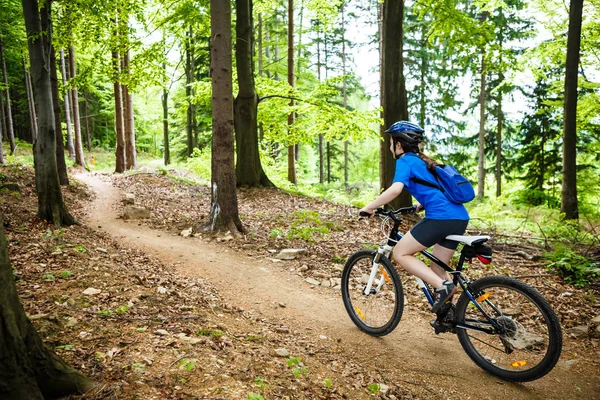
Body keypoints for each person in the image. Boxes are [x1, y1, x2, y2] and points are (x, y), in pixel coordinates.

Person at [359, 121, 470, 313]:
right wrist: (420, 205)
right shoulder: (424, 162)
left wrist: (369, 207)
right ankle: (450, 314)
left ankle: (444, 287)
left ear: (399, 145)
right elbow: (435, 189)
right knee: (438, 268)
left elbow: (395, 190)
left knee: (400, 253)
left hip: (440, 218)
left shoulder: (405, 161)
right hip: (459, 217)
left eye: (391, 142)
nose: (390, 147)